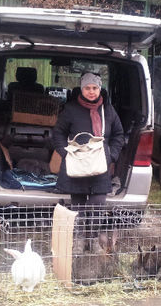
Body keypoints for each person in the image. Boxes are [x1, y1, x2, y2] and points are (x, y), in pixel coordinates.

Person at [52, 72, 124, 207]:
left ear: (100, 89)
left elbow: (118, 134)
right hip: (77, 166)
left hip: (100, 166)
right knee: (77, 207)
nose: (91, 92)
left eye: (95, 88)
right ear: (81, 89)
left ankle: (92, 228)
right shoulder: (70, 109)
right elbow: (58, 134)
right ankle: (79, 228)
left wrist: (111, 155)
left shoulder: (108, 110)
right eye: (87, 88)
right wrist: (66, 154)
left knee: (97, 205)